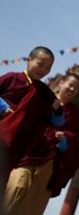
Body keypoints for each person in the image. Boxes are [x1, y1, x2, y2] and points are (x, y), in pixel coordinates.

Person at [3, 73, 79, 215]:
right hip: (29, 152)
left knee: (35, 198)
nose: (72, 89)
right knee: (17, 185)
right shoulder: (42, 98)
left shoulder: (75, 115)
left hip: (51, 159)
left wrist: (65, 140)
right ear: (61, 83)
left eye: (76, 88)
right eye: (71, 84)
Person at [0, 46, 63, 174]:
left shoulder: (45, 92)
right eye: (40, 65)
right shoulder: (12, 78)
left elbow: (58, 121)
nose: (43, 70)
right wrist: (3, 108)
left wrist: (57, 110)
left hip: (18, 145)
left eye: (48, 68)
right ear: (28, 60)